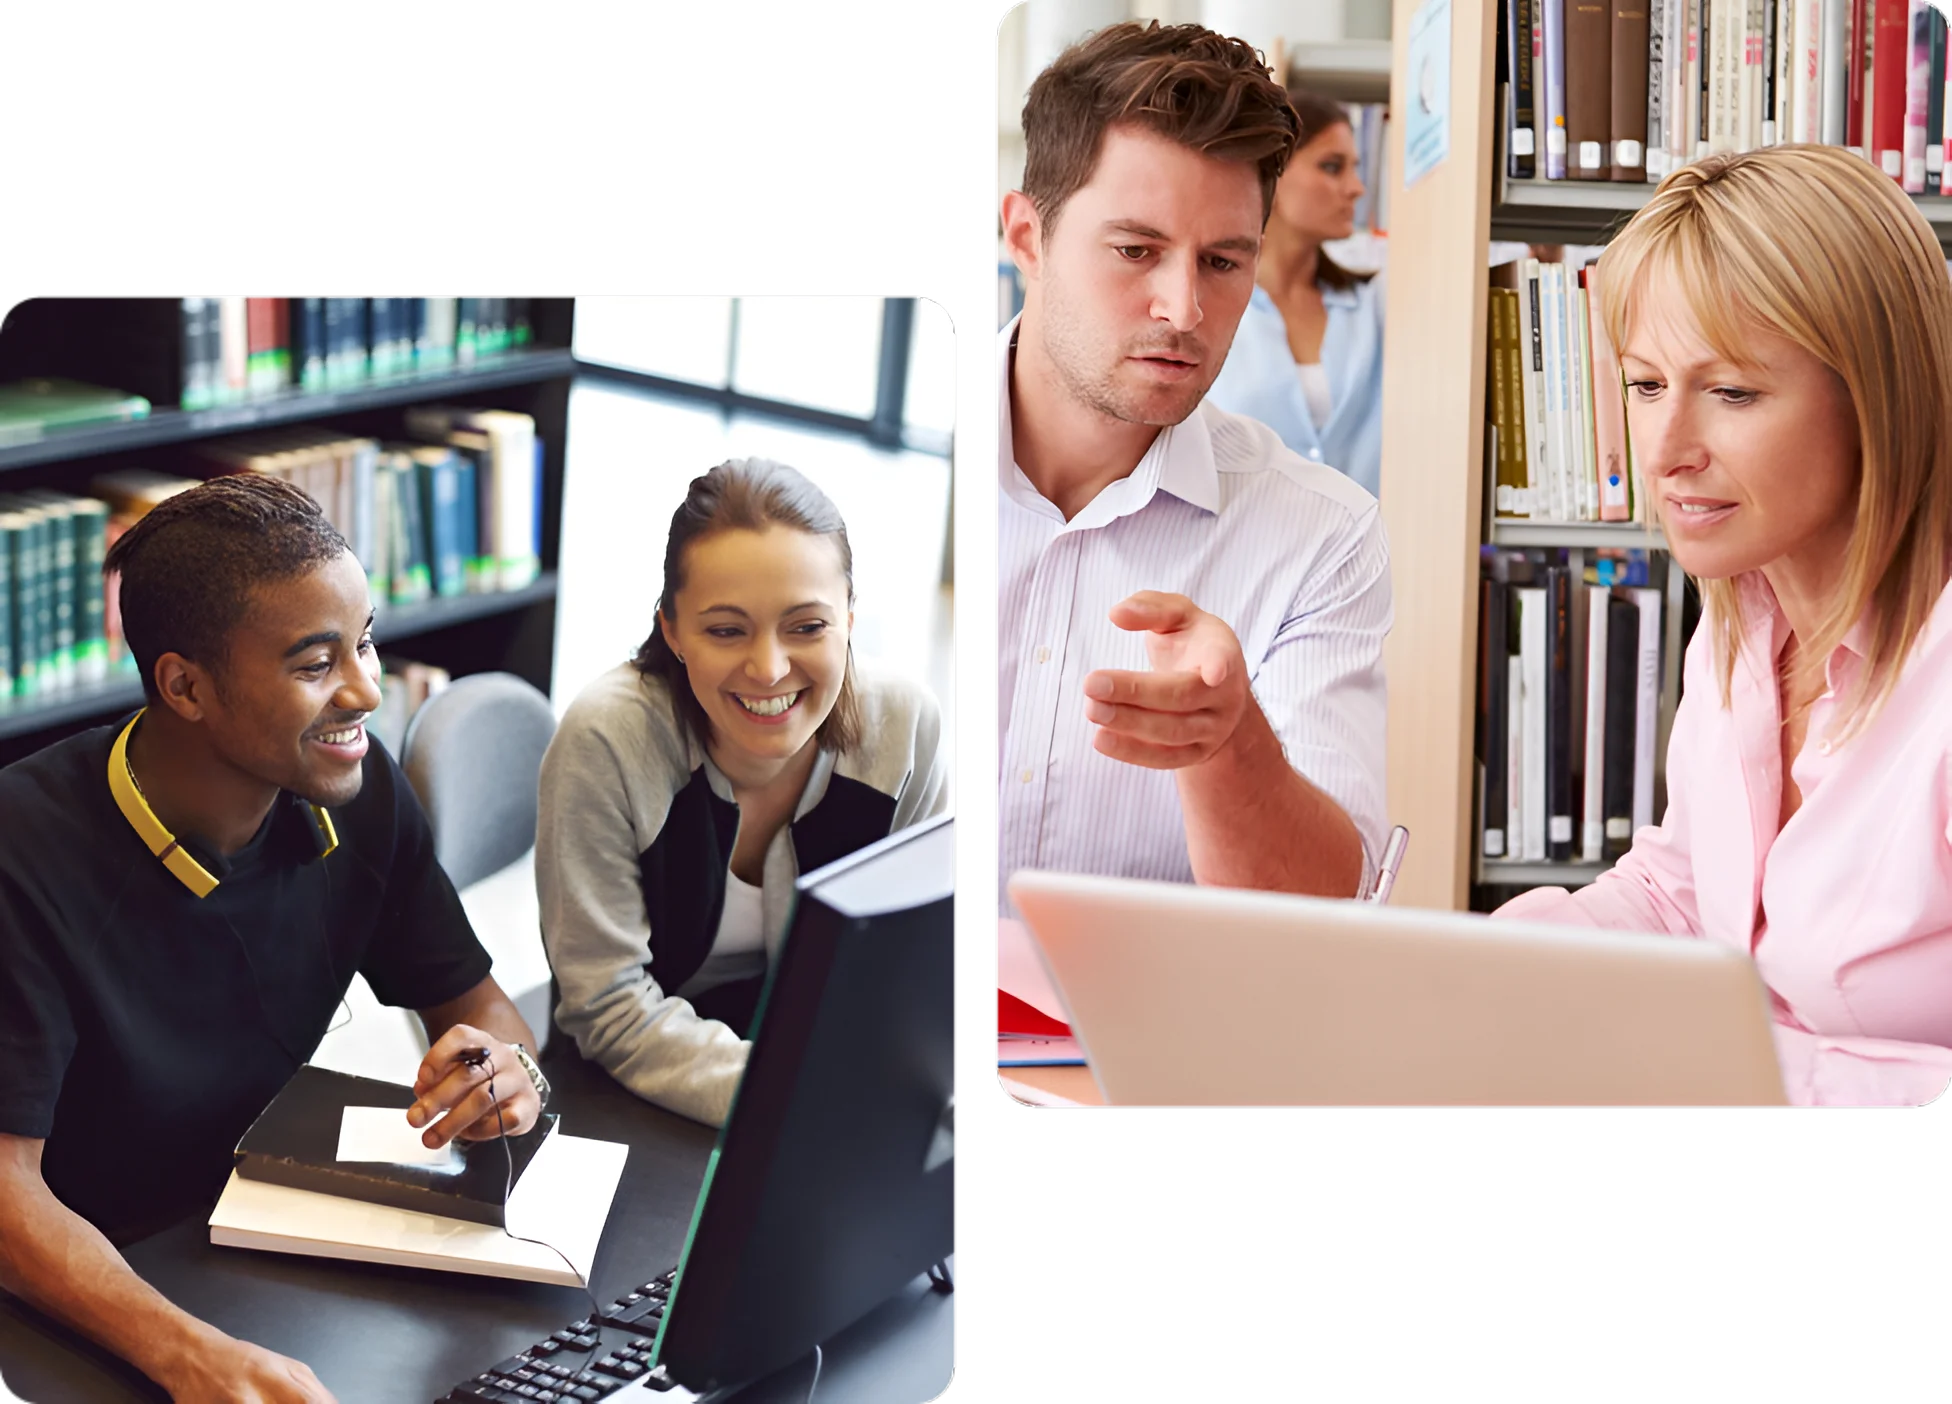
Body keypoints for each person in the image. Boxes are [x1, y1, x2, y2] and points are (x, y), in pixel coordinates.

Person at [0, 474, 546, 1402]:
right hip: (70, 1297)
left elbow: (479, 1002)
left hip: (246, 1242)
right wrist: (186, 1353)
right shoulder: (21, 852)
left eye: (366, 641)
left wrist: (507, 1072)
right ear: (185, 686)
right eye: (314, 663)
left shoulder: (359, 794)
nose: (367, 691)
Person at [1495, 145, 1952, 1109]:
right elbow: (1685, 893)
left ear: (1881, 398)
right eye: (1646, 385)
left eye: (1733, 393)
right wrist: (1470, 966)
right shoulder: (1745, 622)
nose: (1663, 454)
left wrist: (1731, 1066)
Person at [996, 20, 1393, 919]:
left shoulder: (1324, 537)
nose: (1184, 309)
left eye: (1223, 262)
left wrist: (1232, 746)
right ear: (1027, 235)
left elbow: (1328, 915)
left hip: (1134, 1059)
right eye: (1135, 250)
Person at [536, 458, 947, 1129]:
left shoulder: (905, 728)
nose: (769, 668)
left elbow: (914, 968)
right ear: (671, 630)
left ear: (848, 618)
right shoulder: (606, 739)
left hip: (822, 1080)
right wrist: (797, 1096)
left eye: (807, 627)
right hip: (630, 1088)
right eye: (726, 630)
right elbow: (606, 1006)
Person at [1205, 84, 1388, 499]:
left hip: (1363, 549)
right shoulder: (1210, 306)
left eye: (1355, 168)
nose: (1356, 188)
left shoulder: (1371, 307)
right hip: (1242, 550)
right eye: (1332, 166)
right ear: (1274, 173)